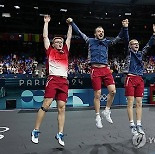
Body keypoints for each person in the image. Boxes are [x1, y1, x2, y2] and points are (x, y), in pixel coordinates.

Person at [66, 18, 128, 128]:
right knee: (98, 94)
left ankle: (107, 111)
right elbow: (79, 32)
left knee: (113, 91)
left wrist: (124, 27)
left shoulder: (107, 43)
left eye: (103, 32)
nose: (101, 33)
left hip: (106, 69)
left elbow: (118, 38)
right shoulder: (90, 41)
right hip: (95, 70)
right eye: (99, 31)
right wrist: (72, 23)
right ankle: (98, 116)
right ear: (95, 33)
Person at [31, 15, 72, 147]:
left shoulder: (65, 51)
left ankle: (60, 133)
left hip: (64, 82)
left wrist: (70, 25)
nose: (60, 43)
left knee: (62, 108)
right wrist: (46, 23)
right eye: (57, 42)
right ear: (53, 44)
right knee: (46, 104)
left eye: (61, 42)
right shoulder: (50, 51)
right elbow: (44, 37)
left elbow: (69, 37)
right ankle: (35, 130)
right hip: (53, 80)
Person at [124, 23, 155, 136]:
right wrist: (126, 27)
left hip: (140, 79)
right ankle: (132, 125)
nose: (136, 45)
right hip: (130, 78)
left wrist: (154, 34)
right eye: (134, 44)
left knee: (139, 103)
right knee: (130, 103)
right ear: (130, 46)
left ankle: (139, 125)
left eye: (137, 44)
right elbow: (127, 39)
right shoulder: (129, 53)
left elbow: (148, 45)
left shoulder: (140, 54)